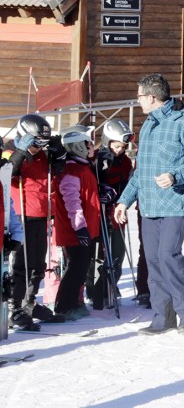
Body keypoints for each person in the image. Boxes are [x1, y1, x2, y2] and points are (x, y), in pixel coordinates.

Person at [113, 73, 184, 335]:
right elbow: (141, 171)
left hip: (176, 202)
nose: (138, 102)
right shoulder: (148, 125)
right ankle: (163, 317)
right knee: (154, 261)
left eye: (139, 97)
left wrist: (176, 176)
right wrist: (124, 200)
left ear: (152, 97)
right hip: (149, 205)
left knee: (168, 256)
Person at [5, 113, 66, 329]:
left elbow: (59, 170)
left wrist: (59, 152)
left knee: (38, 264)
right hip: (20, 215)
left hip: (41, 215)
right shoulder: (11, 152)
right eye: (36, 141)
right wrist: (22, 152)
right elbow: (7, 172)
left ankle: (29, 302)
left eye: (43, 142)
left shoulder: (42, 156)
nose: (40, 147)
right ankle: (14, 307)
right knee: (21, 264)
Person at [54, 129, 101, 321]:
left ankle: (73, 302)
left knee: (81, 267)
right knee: (75, 267)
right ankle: (64, 305)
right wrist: (79, 227)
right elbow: (72, 202)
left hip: (86, 228)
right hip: (75, 230)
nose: (91, 147)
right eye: (88, 144)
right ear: (78, 146)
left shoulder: (84, 167)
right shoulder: (71, 170)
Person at [89, 119, 132, 311]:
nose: (120, 150)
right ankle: (95, 290)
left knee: (117, 252)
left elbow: (128, 184)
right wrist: (101, 192)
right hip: (98, 212)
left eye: (123, 147)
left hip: (117, 211)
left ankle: (112, 285)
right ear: (107, 141)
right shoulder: (97, 159)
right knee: (97, 255)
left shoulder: (126, 162)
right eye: (116, 146)